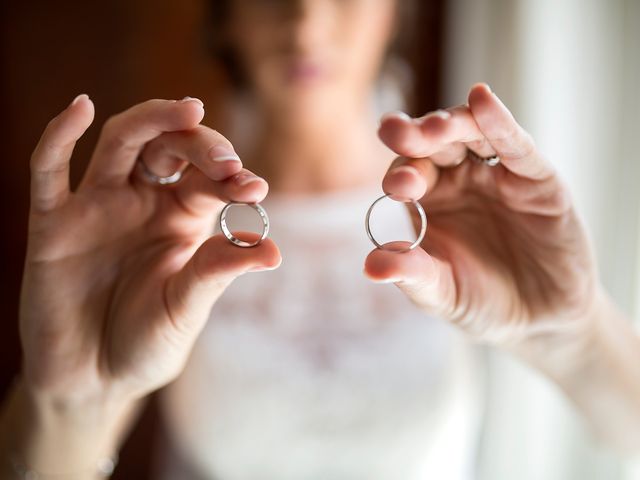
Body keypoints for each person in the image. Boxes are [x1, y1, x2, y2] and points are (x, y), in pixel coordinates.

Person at [2, 0, 640, 479]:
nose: (306, 23)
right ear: (227, 19)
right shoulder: (158, 229)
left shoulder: (479, 212)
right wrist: (67, 401)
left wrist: (575, 332)